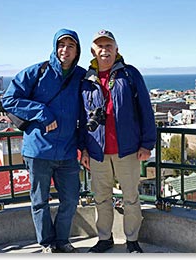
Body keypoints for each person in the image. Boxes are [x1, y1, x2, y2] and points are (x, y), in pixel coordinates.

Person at [2, 28, 86, 253]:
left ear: (77, 50)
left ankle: (62, 240)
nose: (65, 50)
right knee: (40, 201)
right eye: (61, 45)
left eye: (70, 45)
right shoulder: (37, 72)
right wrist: (42, 112)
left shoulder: (81, 76)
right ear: (54, 47)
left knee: (70, 199)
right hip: (38, 150)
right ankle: (47, 243)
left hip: (68, 151)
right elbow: (8, 99)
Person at [79, 29, 156, 253]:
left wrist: (147, 143)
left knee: (131, 197)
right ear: (93, 50)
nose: (104, 50)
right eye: (100, 46)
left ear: (117, 49)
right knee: (101, 197)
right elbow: (80, 117)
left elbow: (145, 110)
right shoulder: (85, 79)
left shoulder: (130, 74)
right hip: (96, 151)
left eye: (109, 46)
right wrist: (82, 148)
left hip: (128, 149)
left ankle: (132, 240)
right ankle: (105, 238)